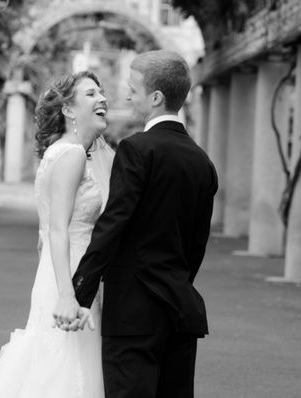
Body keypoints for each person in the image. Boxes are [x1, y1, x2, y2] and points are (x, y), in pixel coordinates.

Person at [67, 50, 218, 398]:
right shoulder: (202, 162)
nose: (128, 95)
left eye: (133, 88)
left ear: (155, 97)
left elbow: (113, 224)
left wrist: (79, 293)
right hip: (181, 309)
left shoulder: (137, 150)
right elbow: (197, 244)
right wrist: (175, 281)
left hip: (133, 313)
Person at [0, 70, 114, 398]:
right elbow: (57, 230)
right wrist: (68, 295)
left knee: (56, 354)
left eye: (101, 92)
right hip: (68, 272)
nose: (102, 98)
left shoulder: (64, 150)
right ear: (68, 109)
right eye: (90, 94)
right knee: (66, 361)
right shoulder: (70, 155)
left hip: (60, 268)